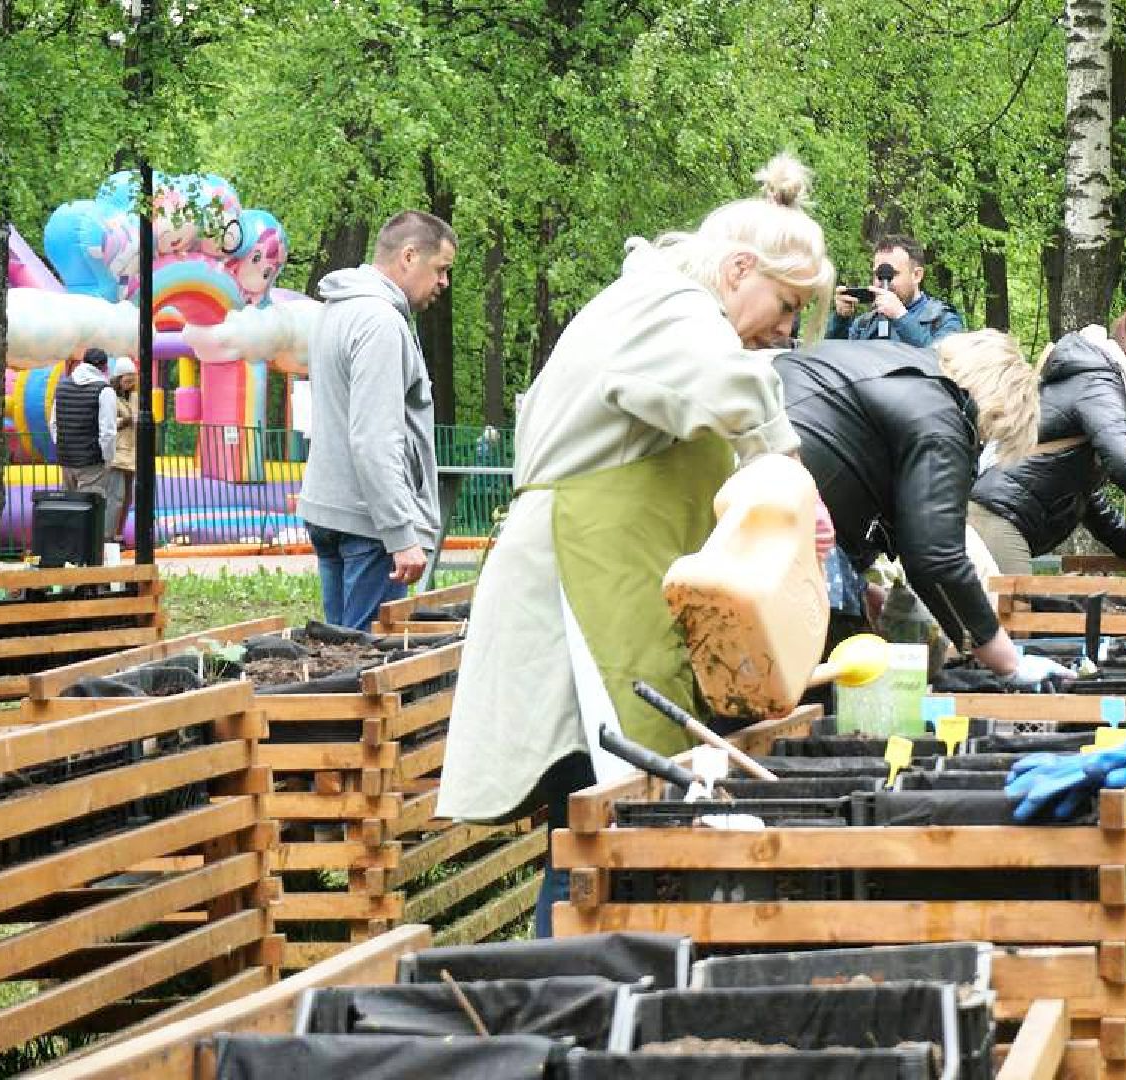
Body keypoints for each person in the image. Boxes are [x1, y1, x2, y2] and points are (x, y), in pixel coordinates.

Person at [437, 154, 835, 937]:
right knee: (615, 812)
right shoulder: (669, 310)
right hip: (585, 591)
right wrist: (788, 470)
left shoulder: (669, 311)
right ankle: (579, 997)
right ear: (739, 269)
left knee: (610, 809)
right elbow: (733, 388)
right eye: (787, 304)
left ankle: (593, 989)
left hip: (618, 588)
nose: (789, 329)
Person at [773, 333, 1067, 685]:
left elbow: (850, 467)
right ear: (996, 405)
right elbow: (937, 557)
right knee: (809, 690)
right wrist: (1007, 660)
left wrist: (864, 585)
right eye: (988, 435)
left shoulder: (892, 364)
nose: (981, 442)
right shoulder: (941, 418)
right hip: (789, 529)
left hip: (755, 498)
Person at [298, 210, 458, 631]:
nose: (444, 282)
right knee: (368, 671)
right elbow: (373, 438)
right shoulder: (381, 323)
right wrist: (401, 534)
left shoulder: (335, 310)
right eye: (440, 269)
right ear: (409, 256)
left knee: (340, 655)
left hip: (330, 510)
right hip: (369, 525)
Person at [969, 307, 1126, 574]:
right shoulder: (1098, 383)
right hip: (997, 518)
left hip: (1001, 517)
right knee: (1014, 612)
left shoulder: (1097, 384)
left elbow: (1084, 495)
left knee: (1018, 611)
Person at [827, 235, 965, 346]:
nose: (883, 283)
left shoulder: (943, 319)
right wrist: (841, 320)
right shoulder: (864, 324)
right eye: (878, 275)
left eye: (891, 274)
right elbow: (835, 363)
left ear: (917, 275)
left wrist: (900, 317)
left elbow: (943, 363)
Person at [53, 348, 121, 531]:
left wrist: (63, 446)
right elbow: (108, 431)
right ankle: (88, 554)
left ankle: (68, 552)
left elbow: (54, 423)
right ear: (104, 366)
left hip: (66, 459)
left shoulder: (62, 386)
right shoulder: (104, 391)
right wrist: (107, 458)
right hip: (92, 461)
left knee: (69, 508)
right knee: (90, 509)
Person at [108, 357, 138, 541]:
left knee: (127, 497)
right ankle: (108, 535)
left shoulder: (134, 396)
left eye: (132, 379)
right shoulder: (111, 397)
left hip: (132, 452)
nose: (130, 383)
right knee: (116, 496)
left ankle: (118, 533)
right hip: (118, 453)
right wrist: (126, 420)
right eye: (127, 379)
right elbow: (108, 422)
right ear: (118, 379)